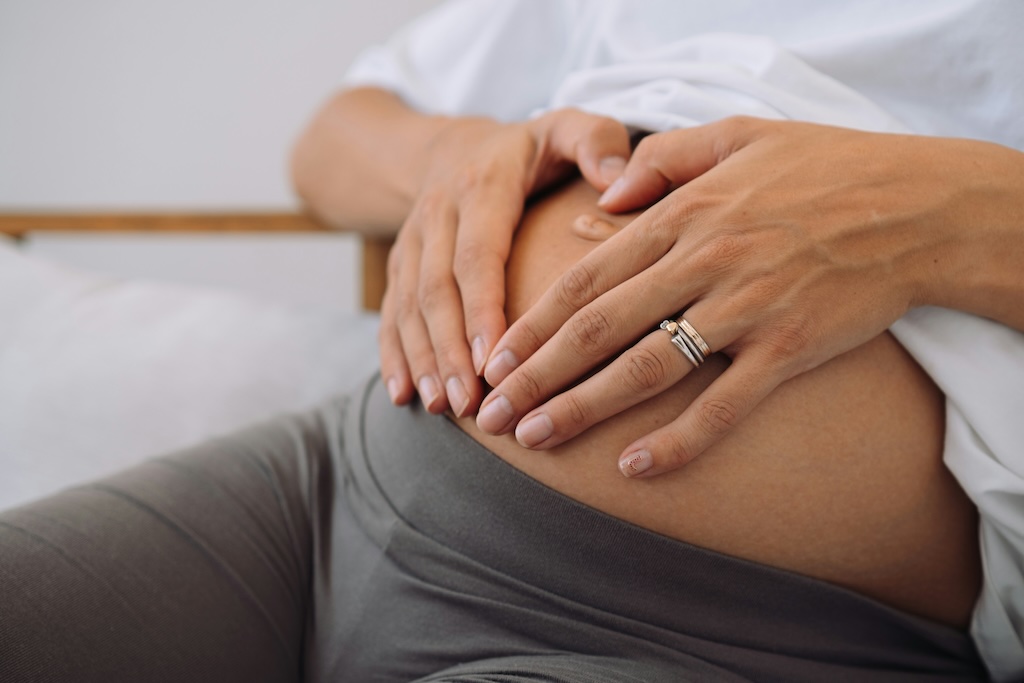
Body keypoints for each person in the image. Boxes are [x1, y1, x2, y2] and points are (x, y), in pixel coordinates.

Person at [1, 1, 1021, 681]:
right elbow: (331, 141)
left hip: (710, 626)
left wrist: (963, 212)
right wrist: (450, 159)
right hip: (334, 486)